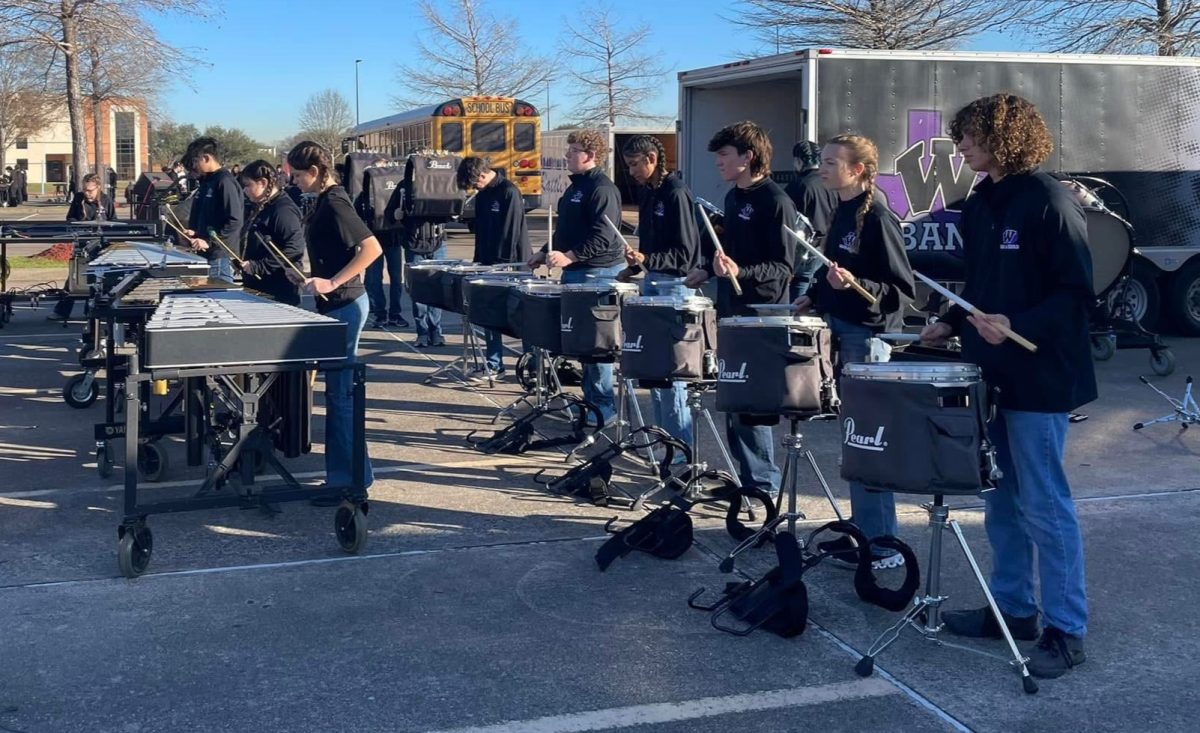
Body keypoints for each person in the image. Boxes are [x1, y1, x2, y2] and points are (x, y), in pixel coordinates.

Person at [919, 93, 1095, 679]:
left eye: (970, 137)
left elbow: (1075, 295)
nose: (962, 147)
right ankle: (1015, 609)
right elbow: (982, 280)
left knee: (1045, 504)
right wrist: (949, 320)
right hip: (988, 375)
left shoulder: (1049, 201)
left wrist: (1017, 325)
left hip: (1039, 377)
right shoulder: (980, 202)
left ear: (1004, 136)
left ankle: (1066, 629)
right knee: (999, 501)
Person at [793, 134, 915, 571]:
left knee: (870, 443)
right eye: (822, 161)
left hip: (870, 341)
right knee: (854, 443)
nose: (822, 168)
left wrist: (859, 289)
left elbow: (901, 293)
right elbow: (835, 274)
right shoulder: (841, 211)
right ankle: (865, 532)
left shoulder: (878, 217)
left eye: (830, 162)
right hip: (842, 332)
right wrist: (816, 295)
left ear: (857, 169)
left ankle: (883, 547)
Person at [685, 120, 796, 497]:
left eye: (724, 154)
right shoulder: (734, 198)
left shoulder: (775, 201)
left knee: (752, 408)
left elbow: (784, 267)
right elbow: (729, 251)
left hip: (760, 315)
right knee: (734, 402)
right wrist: (706, 269)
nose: (718, 161)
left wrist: (741, 271)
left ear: (747, 157)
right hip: (730, 311)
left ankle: (764, 489)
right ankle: (748, 483)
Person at [287, 140, 381, 504]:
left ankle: (350, 483)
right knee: (338, 395)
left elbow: (372, 249)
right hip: (335, 306)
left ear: (314, 172)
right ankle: (349, 477)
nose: (294, 182)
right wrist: (312, 276)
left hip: (346, 305)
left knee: (342, 397)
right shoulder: (324, 201)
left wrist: (333, 282)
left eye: (297, 175)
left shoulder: (337, 201)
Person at [526, 129, 624, 424]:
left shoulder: (602, 189)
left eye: (573, 151)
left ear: (591, 156)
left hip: (598, 273)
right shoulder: (575, 187)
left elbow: (604, 235)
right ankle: (592, 403)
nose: (567, 155)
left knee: (597, 346)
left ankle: (603, 409)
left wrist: (570, 256)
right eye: (568, 150)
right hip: (578, 274)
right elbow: (566, 230)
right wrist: (546, 251)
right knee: (581, 344)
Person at [620, 134, 700, 447]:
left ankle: (680, 448)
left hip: (675, 288)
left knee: (672, 375)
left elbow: (686, 254)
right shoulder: (648, 193)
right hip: (653, 284)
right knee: (653, 371)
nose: (631, 171)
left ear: (652, 159)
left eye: (635, 164)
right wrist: (636, 264)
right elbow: (652, 249)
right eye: (628, 166)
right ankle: (662, 441)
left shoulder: (675, 192)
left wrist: (649, 259)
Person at [456, 155, 531, 379]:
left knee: (520, 314)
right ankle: (494, 363)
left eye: (474, 183)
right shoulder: (483, 195)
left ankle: (530, 363)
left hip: (512, 264)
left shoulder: (509, 192)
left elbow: (511, 232)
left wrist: (502, 266)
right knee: (490, 315)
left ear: (483, 174)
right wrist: (478, 262)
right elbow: (480, 232)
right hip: (487, 262)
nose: (474, 188)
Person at [49, 173, 117, 321]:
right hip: (82, 242)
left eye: (90, 190)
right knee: (74, 278)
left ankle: (91, 313)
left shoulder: (106, 200)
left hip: (100, 245)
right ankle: (62, 311)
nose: (87, 193)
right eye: (85, 190)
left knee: (97, 280)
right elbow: (70, 218)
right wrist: (80, 226)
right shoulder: (78, 198)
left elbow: (114, 220)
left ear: (98, 188)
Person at [238, 160, 305, 306]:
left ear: (263, 182)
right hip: (259, 287)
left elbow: (294, 249)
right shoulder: (263, 205)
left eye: (248, 185)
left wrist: (259, 266)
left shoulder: (283, 210)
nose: (245, 190)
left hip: (278, 290)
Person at [183, 136, 244, 282]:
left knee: (219, 298)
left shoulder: (224, 181)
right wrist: (196, 232)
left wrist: (209, 242)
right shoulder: (207, 181)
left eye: (196, 160)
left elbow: (234, 220)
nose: (195, 165)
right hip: (206, 253)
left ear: (206, 158)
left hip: (218, 255)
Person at [785, 141, 838, 299]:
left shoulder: (798, 186)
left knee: (800, 290)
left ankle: (796, 321)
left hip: (805, 249)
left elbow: (789, 223)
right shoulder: (831, 183)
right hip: (828, 247)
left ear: (799, 160)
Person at [361, 157, 408, 329]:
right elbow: (359, 212)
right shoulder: (365, 192)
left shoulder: (398, 188)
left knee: (396, 278)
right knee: (375, 279)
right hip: (374, 239)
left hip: (393, 239)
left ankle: (395, 313)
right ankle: (381, 313)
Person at [401, 214, 448, 347]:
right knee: (418, 290)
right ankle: (422, 332)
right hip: (415, 243)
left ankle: (435, 331)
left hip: (437, 241)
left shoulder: (442, 191)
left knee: (436, 289)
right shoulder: (404, 192)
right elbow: (391, 214)